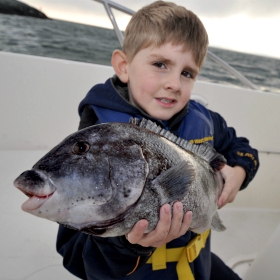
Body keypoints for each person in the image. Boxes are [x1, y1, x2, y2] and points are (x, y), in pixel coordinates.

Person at [56, 1, 259, 279]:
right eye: (160, 64)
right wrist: (126, 244)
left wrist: (238, 172)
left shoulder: (206, 120)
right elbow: (76, 256)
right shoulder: (97, 144)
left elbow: (243, 148)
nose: (175, 83)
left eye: (187, 73)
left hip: (198, 262)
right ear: (124, 66)